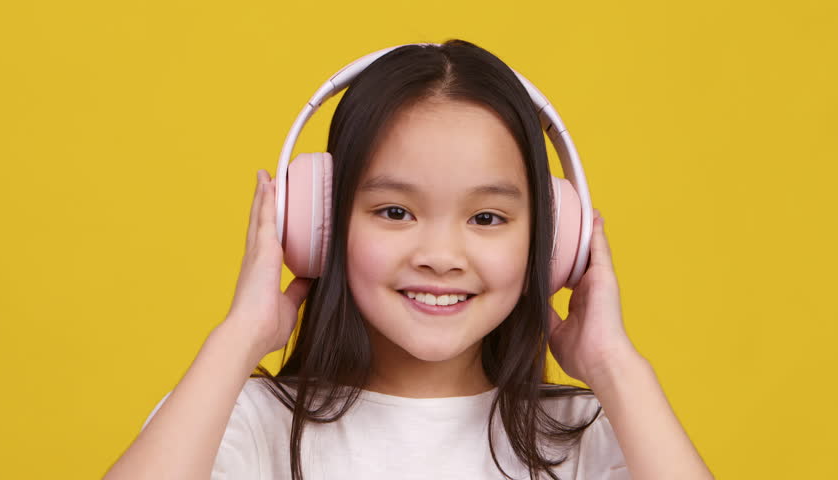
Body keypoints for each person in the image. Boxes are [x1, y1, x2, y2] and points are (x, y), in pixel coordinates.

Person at [103, 40, 714, 480]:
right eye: (395, 212)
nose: (441, 257)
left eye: (486, 218)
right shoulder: (244, 422)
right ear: (318, 225)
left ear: (553, 246)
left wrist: (615, 366)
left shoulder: (587, 437)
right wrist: (238, 339)